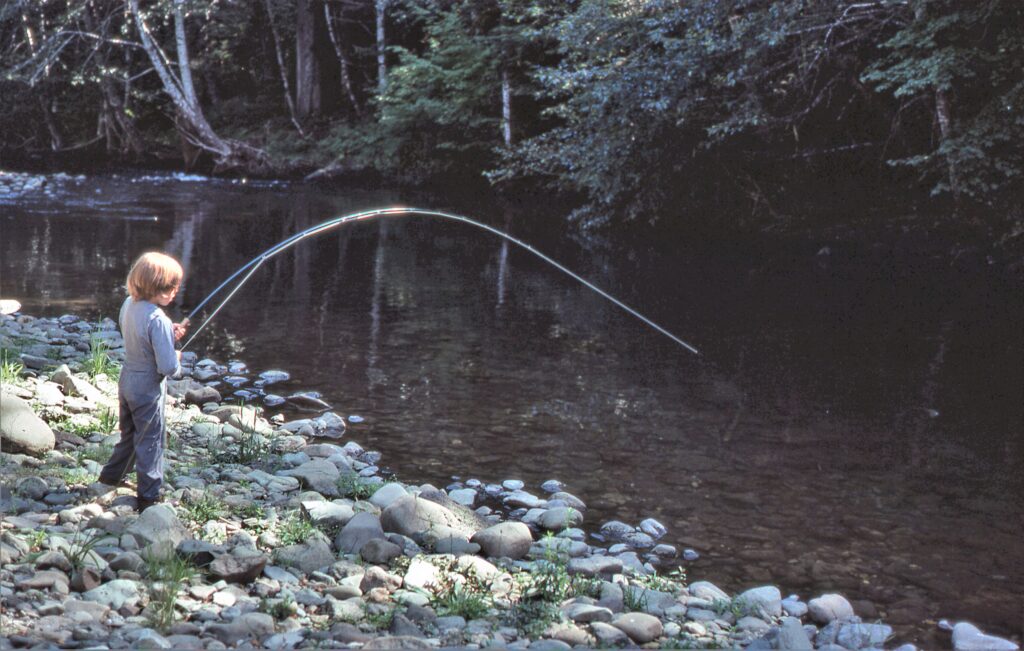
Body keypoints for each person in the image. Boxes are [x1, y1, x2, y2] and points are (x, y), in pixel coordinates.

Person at [98, 252, 188, 512]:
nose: (175, 292)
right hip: (148, 389)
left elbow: (138, 334)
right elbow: (168, 367)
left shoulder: (129, 304)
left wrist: (168, 335)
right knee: (151, 441)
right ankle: (149, 496)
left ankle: (111, 476)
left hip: (127, 381)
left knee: (130, 434)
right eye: (171, 287)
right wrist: (176, 354)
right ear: (156, 288)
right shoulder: (158, 318)